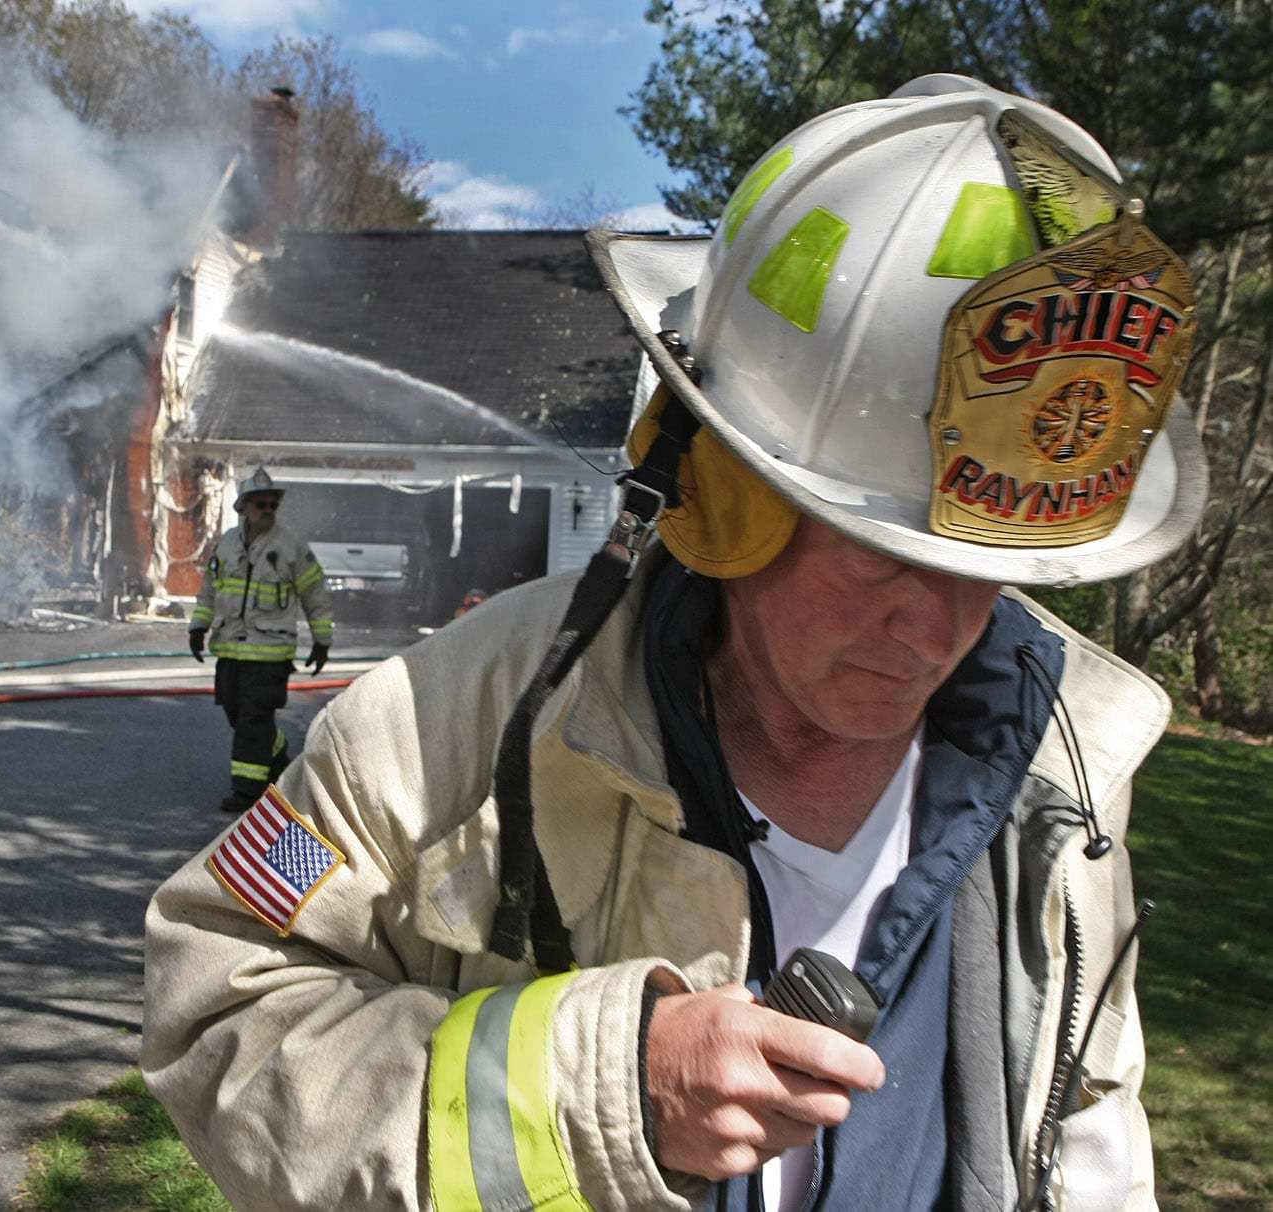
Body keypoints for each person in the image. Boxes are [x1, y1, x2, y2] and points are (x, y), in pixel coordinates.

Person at [142, 75, 1199, 1211]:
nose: (938, 626)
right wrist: (596, 1092)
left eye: (986, 562)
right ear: (716, 493)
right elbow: (221, 996)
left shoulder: (1067, 766)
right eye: (882, 549)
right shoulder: (442, 726)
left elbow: (1088, 1120)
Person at [188, 467, 334, 814]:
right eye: (260, 504)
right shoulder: (226, 544)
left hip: (270, 653)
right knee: (238, 716)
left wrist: (322, 640)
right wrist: (198, 628)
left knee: (253, 721)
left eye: (272, 504)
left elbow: (315, 595)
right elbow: (210, 591)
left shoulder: (292, 548)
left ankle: (248, 791)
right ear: (244, 509)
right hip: (230, 650)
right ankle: (277, 753)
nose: (268, 509)